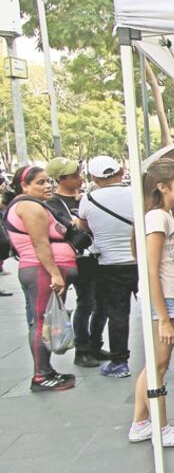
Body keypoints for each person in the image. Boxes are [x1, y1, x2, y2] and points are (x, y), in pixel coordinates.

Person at [129, 158, 174, 447]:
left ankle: (141, 422)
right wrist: (164, 317)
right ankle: (161, 427)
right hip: (164, 300)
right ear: (162, 187)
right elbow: (150, 268)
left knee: (155, 365)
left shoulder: (162, 216)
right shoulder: (157, 217)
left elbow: (162, 261)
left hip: (169, 296)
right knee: (158, 365)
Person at [5, 166, 78, 392]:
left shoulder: (32, 205)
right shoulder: (29, 207)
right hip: (40, 271)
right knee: (41, 322)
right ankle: (41, 375)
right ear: (24, 186)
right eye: (39, 182)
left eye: (48, 181)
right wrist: (55, 273)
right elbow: (40, 244)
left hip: (42, 270)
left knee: (45, 321)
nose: (47, 185)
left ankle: (46, 369)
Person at [78, 156, 138, 378]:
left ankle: (119, 363)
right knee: (154, 310)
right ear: (121, 172)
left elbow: (83, 228)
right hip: (140, 261)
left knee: (118, 314)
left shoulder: (89, 199)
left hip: (109, 265)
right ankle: (159, 356)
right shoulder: (136, 194)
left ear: (94, 177)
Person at [46, 157, 107, 368]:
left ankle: (95, 344)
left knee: (101, 303)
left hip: (93, 256)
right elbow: (64, 228)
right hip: (72, 259)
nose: (79, 179)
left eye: (79, 174)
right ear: (60, 179)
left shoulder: (87, 198)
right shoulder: (52, 204)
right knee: (85, 304)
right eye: (73, 176)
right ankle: (82, 349)